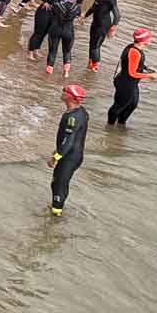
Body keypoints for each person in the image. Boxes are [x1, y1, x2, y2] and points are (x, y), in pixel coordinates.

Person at [108, 28, 157, 127]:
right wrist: (150, 76)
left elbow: (134, 64)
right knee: (119, 106)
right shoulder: (134, 52)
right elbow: (132, 73)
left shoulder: (133, 47)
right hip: (125, 83)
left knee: (132, 104)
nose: (151, 40)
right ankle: (110, 126)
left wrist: (146, 68)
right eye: (149, 38)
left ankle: (121, 124)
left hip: (130, 83)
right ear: (142, 40)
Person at [50, 84, 89, 216]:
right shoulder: (81, 111)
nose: (62, 91)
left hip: (69, 157)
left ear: (70, 97)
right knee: (60, 183)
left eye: (65, 91)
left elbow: (69, 141)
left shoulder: (72, 118)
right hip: (74, 155)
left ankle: (55, 216)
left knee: (58, 185)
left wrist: (56, 156)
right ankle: (58, 209)